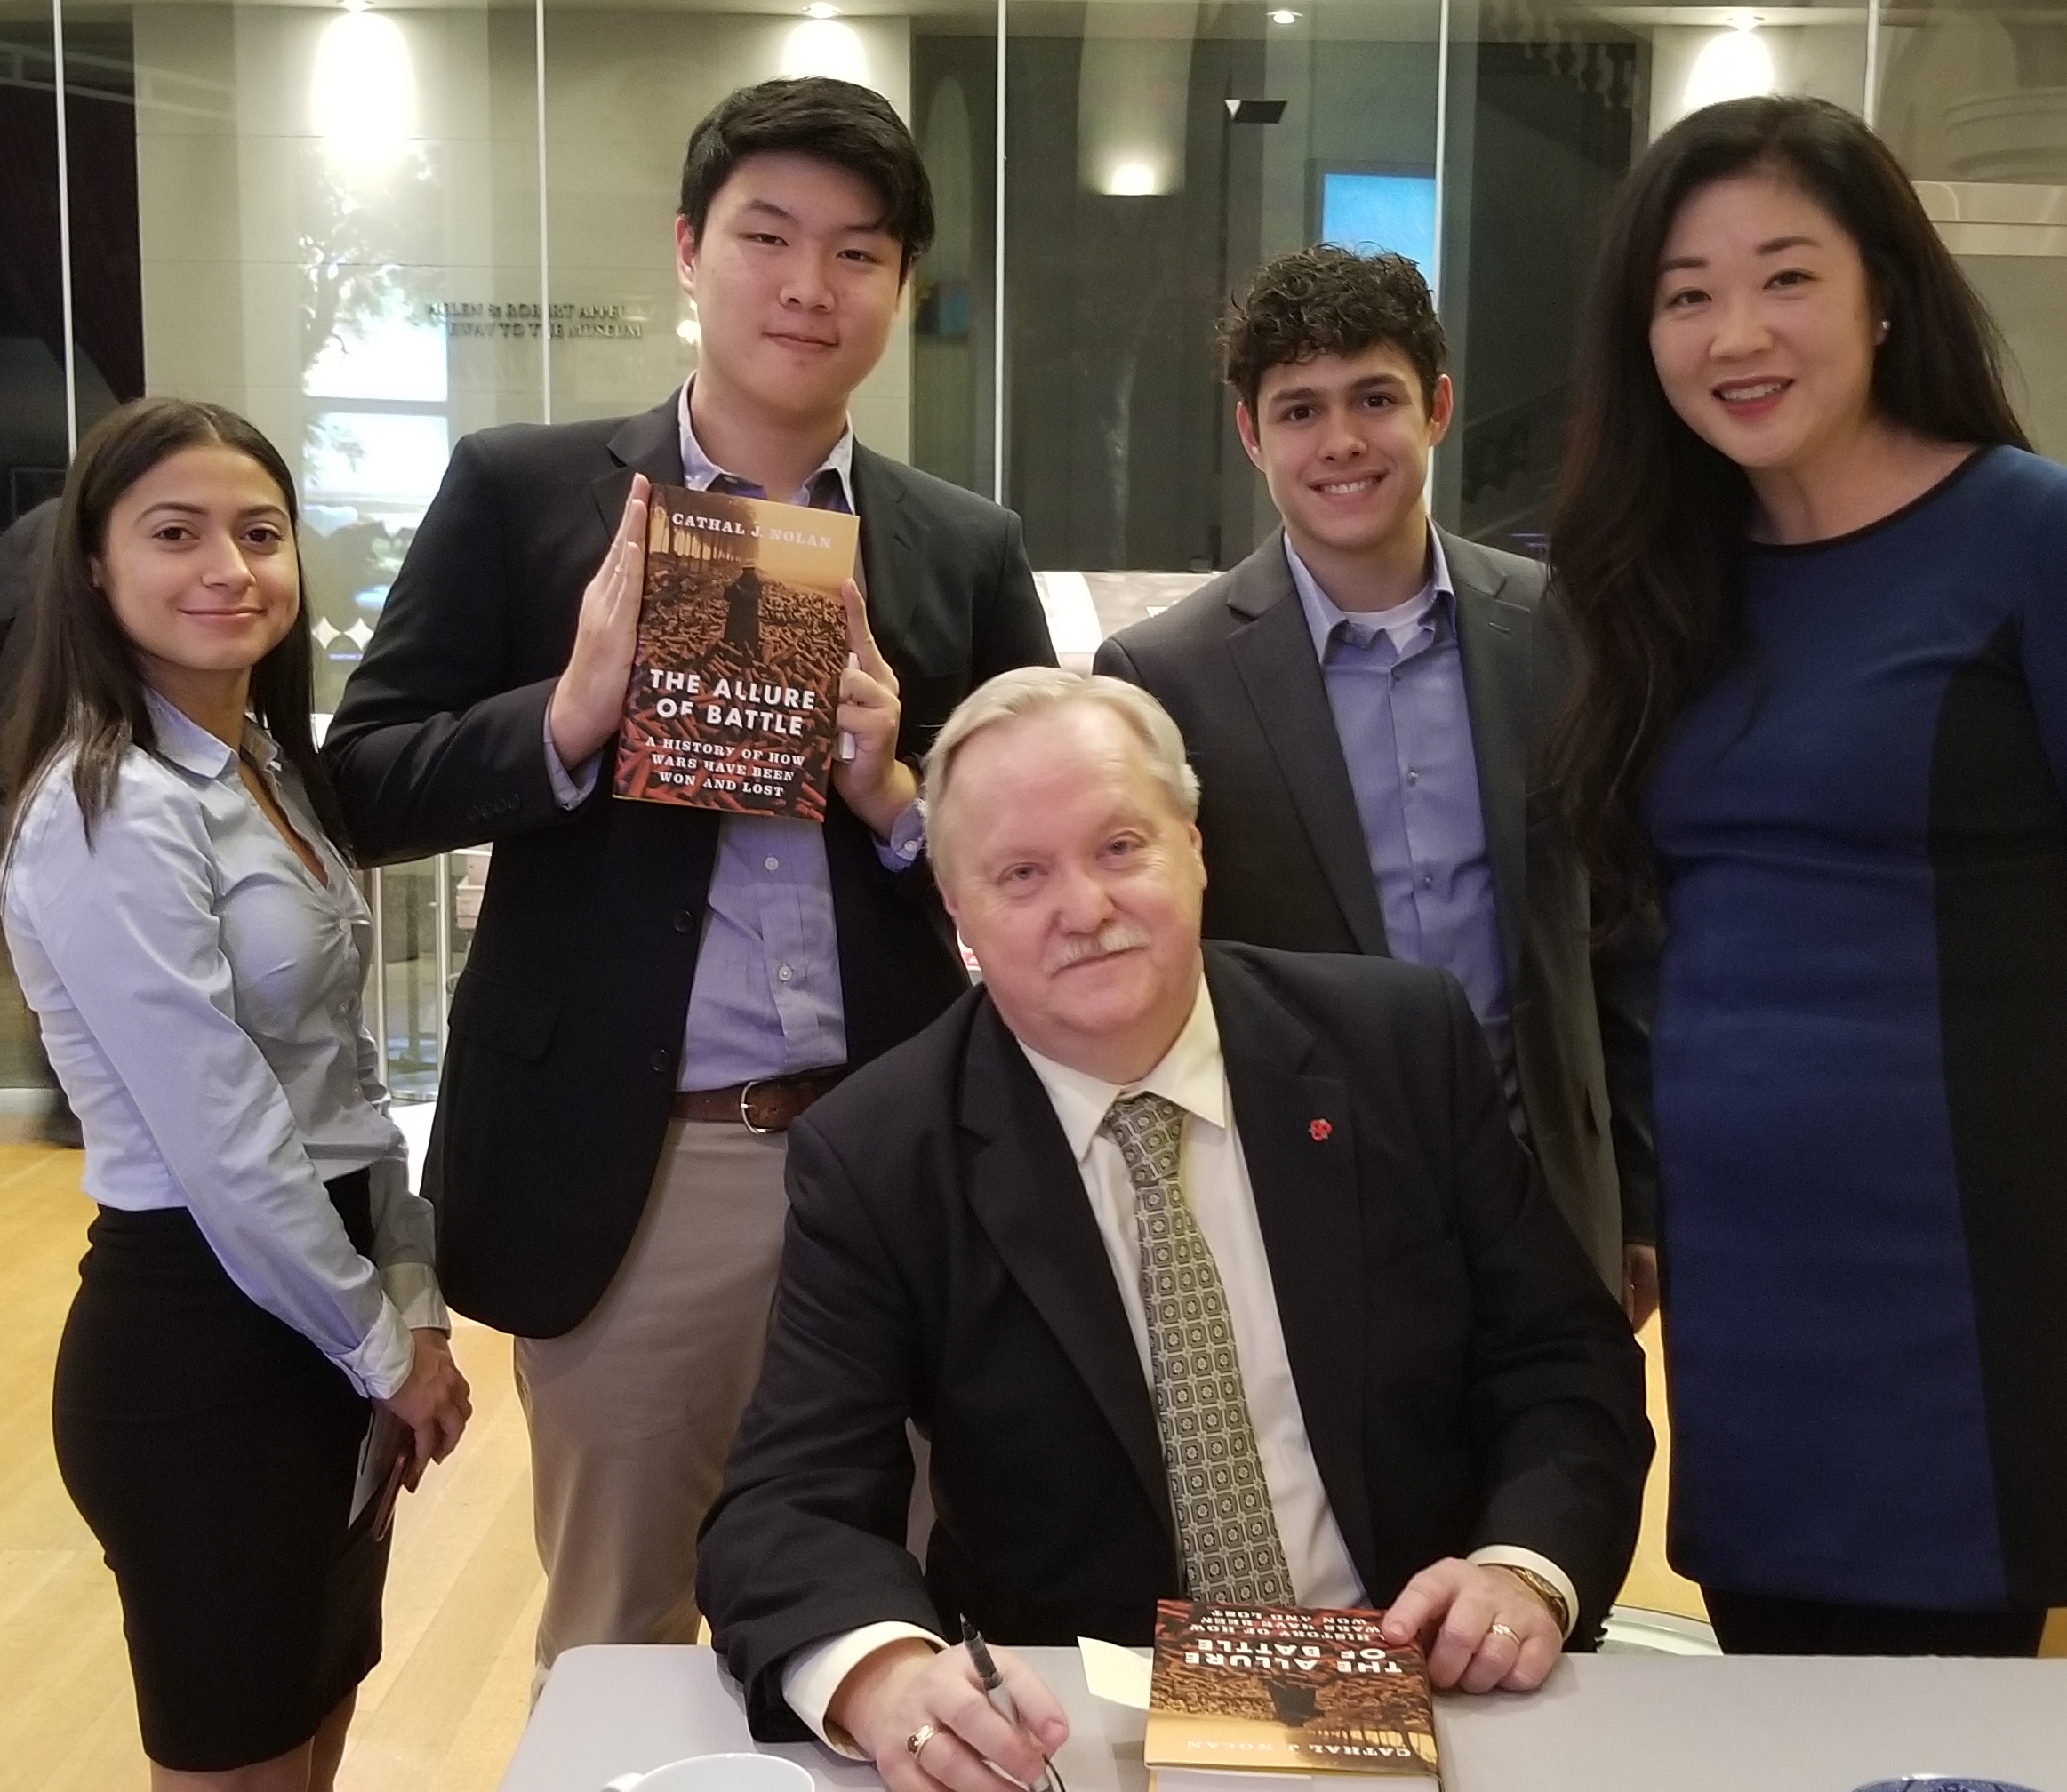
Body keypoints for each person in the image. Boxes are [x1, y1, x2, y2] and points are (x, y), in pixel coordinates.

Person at [324, 76, 1054, 1670]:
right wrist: (573, 718)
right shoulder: (528, 494)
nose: (809, 286)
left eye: (858, 253)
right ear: (687, 250)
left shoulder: (958, 543)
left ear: (901, 286)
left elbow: (1035, 854)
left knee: (902, 1624)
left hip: (896, 1150)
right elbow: (363, 782)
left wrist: (897, 791)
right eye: (767, 237)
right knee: (621, 1637)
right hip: (642, 1165)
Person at [698, 668, 1652, 1780]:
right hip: (1086, 1724)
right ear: (956, 911)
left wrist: (1521, 1569)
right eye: (1020, 874)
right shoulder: (882, 1151)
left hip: (1421, 1681)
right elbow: (782, 1507)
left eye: (1120, 848)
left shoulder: (1396, 1046)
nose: (1086, 910)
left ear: (1195, 849)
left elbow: (1563, 1368)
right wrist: (888, 1677)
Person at [1548, 93, 2067, 1656]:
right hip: (1747, 1283)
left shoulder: (2025, 536)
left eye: (1786, 276)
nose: (1736, 332)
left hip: (1971, 1273)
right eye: (1687, 294)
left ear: (1885, 292)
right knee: (1776, 1689)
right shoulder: (1652, 577)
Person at [0, 397, 471, 1789]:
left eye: (259, 533)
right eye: (176, 533)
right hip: (203, 1346)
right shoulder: (104, 807)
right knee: (240, 1764)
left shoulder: (267, 769)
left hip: (316, 1316)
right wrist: (386, 1350)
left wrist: (415, 1295)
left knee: (313, 1731)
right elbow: (225, 1145)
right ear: (93, 564)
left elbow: (345, 1073)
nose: (231, 567)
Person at [1094, 247, 1657, 1321]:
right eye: (1300, 409)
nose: (1342, 441)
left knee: (1575, 1483)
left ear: (1437, 407)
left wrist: (1641, 1198)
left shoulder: (1564, 630)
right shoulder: (1168, 678)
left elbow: (1622, 932)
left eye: (1376, 398)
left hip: (1550, 1199)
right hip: (1302, 1219)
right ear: (1252, 436)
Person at [0, 496, 84, 1148]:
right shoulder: (74, 526)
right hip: (47, 758)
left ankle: (71, 1102)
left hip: (24, 762)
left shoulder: (37, 528)